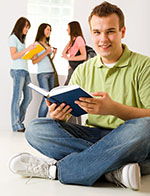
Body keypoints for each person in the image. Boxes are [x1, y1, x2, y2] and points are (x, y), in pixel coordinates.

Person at [9, 2, 150, 191]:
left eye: (110, 31)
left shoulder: (143, 66)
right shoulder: (83, 70)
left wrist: (113, 109)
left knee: (144, 128)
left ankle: (56, 170)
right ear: (91, 34)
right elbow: (67, 113)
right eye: (97, 32)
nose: (103, 39)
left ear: (122, 32)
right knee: (35, 128)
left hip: (129, 137)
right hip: (93, 136)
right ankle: (113, 170)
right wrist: (58, 115)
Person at [8, 17, 34, 132]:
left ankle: (19, 121)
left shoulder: (21, 40)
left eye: (28, 27)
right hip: (18, 71)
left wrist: (30, 54)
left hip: (25, 70)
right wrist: (27, 49)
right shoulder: (13, 38)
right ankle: (16, 124)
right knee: (17, 97)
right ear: (20, 26)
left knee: (29, 97)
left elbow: (21, 56)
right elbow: (14, 56)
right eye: (26, 26)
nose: (27, 29)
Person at [32, 23, 58, 117]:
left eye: (50, 30)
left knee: (51, 99)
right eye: (47, 29)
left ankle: (46, 120)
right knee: (46, 98)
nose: (49, 32)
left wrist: (53, 54)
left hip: (51, 73)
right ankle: (40, 121)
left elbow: (48, 61)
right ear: (42, 30)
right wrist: (46, 52)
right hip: (42, 74)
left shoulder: (47, 44)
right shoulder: (36, 44)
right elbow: (34, 61)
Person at [62, 21, 87, 85]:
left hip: (75, 68)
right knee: (68, 87)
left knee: (67, 87)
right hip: (71, 68)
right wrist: (70, 41)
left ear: (73, 29)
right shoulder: (73, 40)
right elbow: (63, 53)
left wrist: (69, 58)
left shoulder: (79, 39)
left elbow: (84, 56)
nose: (67, 30)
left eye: (68, 28)